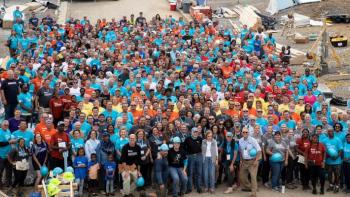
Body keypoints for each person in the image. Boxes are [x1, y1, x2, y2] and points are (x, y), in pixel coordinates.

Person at [239, 127, 262, 197]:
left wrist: (256, 160)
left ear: (248, 133)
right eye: (244, 132)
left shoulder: (253, 140)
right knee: (242, 176)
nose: (245, 133)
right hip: (244, 161)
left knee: (253, 177)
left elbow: (259, 150)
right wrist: (241, 160)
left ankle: (254, 193)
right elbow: (241, 151)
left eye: (246, 132)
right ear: (242, 133)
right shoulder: (240, 140)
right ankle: (249, 187)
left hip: (252, 161)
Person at [323, 127, 343, 193]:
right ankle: (331, 185)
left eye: (331, 131)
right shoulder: (325, 140)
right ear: (327, 132)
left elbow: (340, 150)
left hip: (337, 161)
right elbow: (324, 150)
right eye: (329, 131)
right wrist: (328, 156)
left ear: (333, 132)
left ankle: (337, 186)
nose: (330, 132)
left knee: (337, 174)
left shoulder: (338, 140)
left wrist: (336, 156)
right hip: (328, 161)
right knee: (329, 174)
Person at [184, 127, 203, 193]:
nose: (195, 133)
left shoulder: (200, 138)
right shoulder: (187, 139)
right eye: (194, 131)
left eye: (197, 131)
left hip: (199, 156)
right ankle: (189, 188)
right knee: (190, 173)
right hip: (190, 157)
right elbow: (184, 148)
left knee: (199, 173)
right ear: (191, 132)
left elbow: (203, 147)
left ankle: (198, 188)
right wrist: (187, 155)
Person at [0, 120, 16, 188]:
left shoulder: (8, 130)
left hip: (9, 155)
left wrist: (14, 139)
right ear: (1, 125)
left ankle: (8, 184)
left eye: (7, 125)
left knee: (9, 171)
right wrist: (10, 142)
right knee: (0, 171)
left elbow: (9, 138)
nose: (6, 126)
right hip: (1, 155)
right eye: (5, 125)